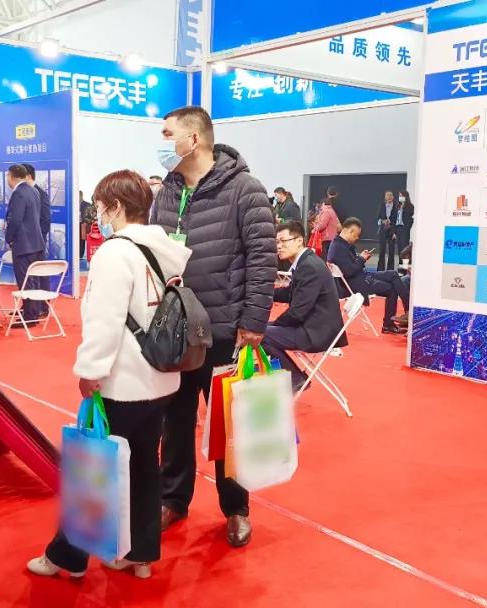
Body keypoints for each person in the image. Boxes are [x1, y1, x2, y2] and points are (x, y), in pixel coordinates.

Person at [27, 170, 190, 581]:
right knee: (144, 466)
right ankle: (139, 555)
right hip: (161, 378)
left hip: (124, 381)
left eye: (100, 207)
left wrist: (90, 371)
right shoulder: (164, 249)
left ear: (115, 207)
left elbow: (105, 320)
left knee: (93, 469)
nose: (98, 214)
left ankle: (68, 557)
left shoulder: (115, 253)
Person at [152, 106, 275, 548]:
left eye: (167, 134)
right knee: (175, 419)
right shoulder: (167, 192)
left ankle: (236, 508)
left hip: (225, 329)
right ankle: (172, 498)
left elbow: (262, 258)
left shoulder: (244, 189)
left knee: (229, 423)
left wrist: (253, 322)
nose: (162, 143)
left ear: (194, 139)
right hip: (176, 327)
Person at [264, 221, 347, 392]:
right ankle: (289, 376)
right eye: (277, 242)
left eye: (283, 241)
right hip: (314, 327)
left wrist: (275, 325)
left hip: (316, 333)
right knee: (261, 329)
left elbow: (297, 312)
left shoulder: (308, 266)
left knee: (259, 334)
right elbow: (290, 293)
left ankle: (294, 379)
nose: (279, 246)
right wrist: (265, 294)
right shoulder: (306, 261)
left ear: (299, 240)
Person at [328, 218, 407, 335]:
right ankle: (390, 323)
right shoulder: (338, 248)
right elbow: (349, 271)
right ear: (349, 231)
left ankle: (406, 312)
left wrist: (360, 258)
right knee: (392, 288)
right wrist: (361, 259)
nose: (357, 238)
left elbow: (350, 266)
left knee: (393, 275)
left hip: (360, 278)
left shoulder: (340, 245)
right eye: (356, 235)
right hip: (355, 284)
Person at [4, 163, 45, 323]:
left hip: (23, 244)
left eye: (7, 176)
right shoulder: (33, 190)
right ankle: (31, 311)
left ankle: (30, 317)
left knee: (26, 281)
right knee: (32, 280)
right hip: (35, 243)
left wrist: (9, 238)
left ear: (11, 176)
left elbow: (15, 220)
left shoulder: (19, 193)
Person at [23, 163, 51, 252]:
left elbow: (45, 220)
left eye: (20, 177)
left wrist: (36, 241)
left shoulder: (41, 194)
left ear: (28, 177)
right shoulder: (21, 193)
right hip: (22, 244)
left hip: (35, 245)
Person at [311, 186, 341, 262]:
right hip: (331, 237)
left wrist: (315, 228)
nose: (320, 208)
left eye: (321, 205)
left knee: (324, 258)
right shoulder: (331, 210)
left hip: (327, 238)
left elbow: (322, 225)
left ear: (323, 204)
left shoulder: (326, 211)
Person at [376, 190, 399, 271]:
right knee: (382, 250)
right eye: (387, 195)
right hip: (383, 230)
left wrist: (395, 232)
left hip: (392, 231)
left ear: (393, 197)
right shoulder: (382, 205)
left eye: (390, 195)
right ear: (385, 197)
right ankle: (380, 269)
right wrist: (382, 221)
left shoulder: (397, 206)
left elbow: (398, 221)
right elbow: (378, 218)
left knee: (391, 251)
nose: (389, 197)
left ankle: (390, 269)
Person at [396, 190, 414, 266]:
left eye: (401, 196)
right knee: (399, 249)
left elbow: (410, 218)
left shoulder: (410, 206)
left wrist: (407, 227)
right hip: (398, 228)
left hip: (404, 229)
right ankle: (400, 267)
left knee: (405, 249)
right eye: (399, 196)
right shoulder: (398, 206)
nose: (400, 197)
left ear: (405, 196)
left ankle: (405, 267)